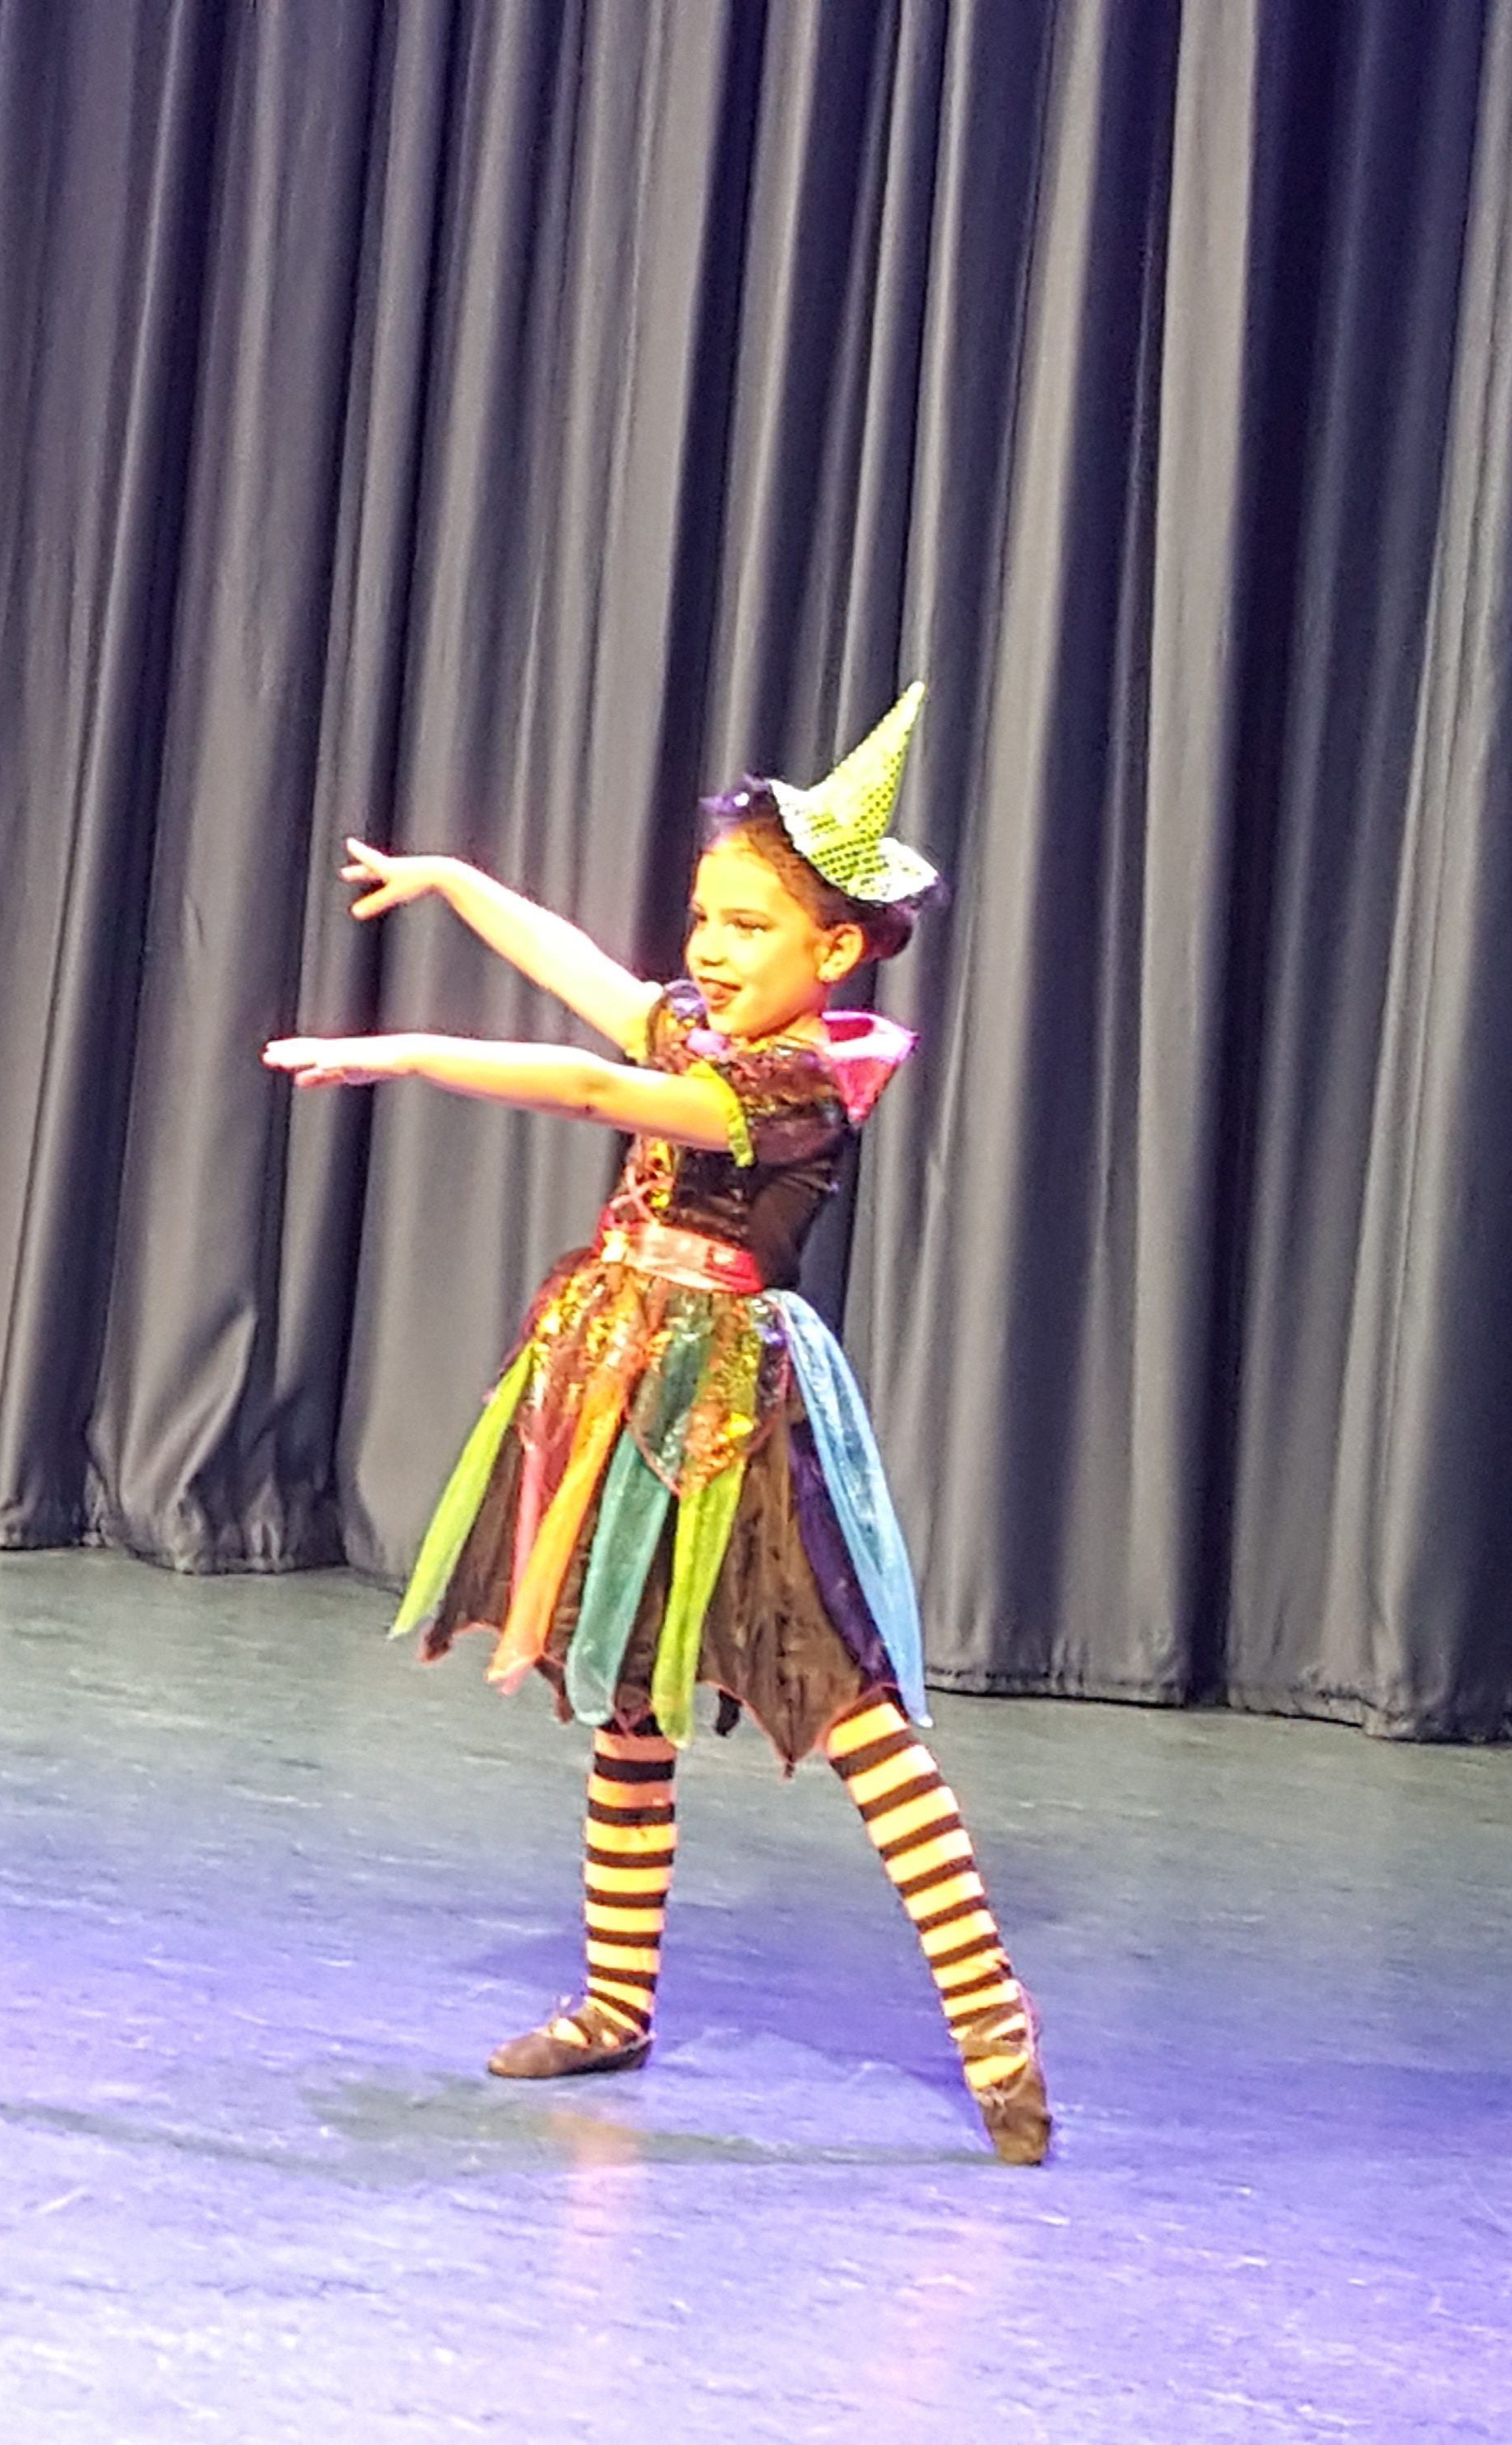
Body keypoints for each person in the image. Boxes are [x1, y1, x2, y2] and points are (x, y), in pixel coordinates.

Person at [262, 687, 1043, 2163]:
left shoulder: (797, 1086)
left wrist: (407, 1051)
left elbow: (586, 1085)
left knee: (852, 1710)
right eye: (704, 919)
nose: (711, 949)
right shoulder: (700, 1021)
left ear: (835, 951)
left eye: (749, 927)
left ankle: (996, 2029)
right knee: (629, 1695)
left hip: (732, 1409)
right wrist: (453, 882)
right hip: (625, 1382)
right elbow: (587, 981)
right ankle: (616, 2003)